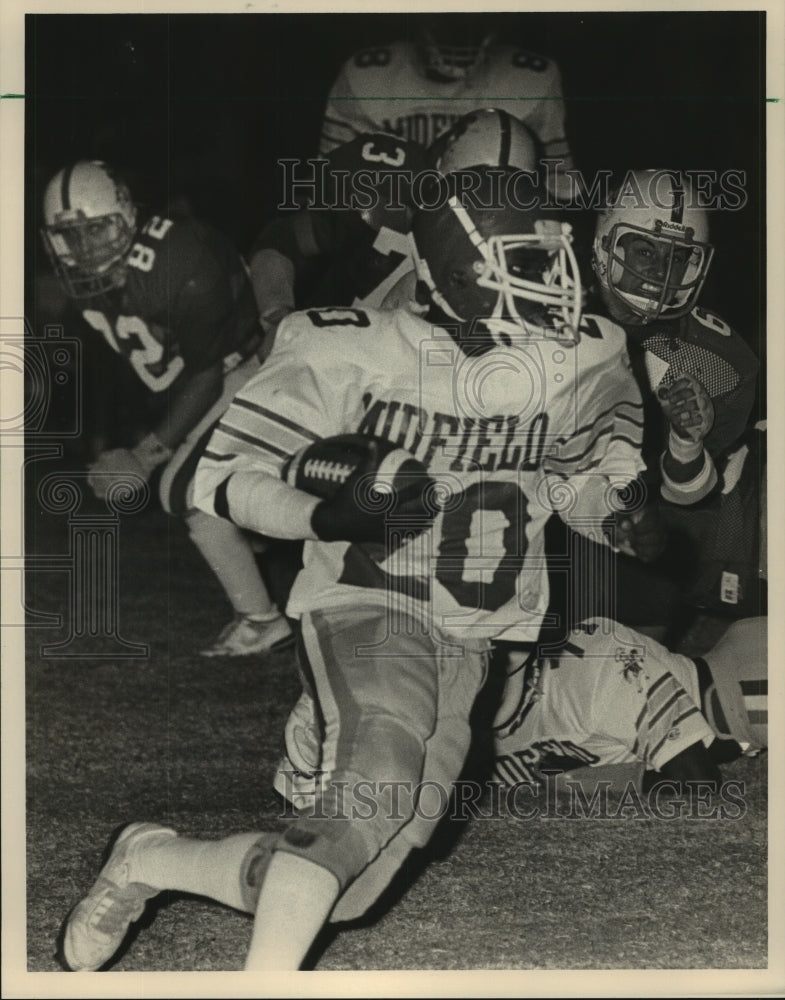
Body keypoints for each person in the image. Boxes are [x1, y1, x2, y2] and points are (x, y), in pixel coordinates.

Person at [59, 167, 655, 972]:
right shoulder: (355, 343)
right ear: (459, 267)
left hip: (475, 643)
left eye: (552, 258)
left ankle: (148, 858)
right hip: (370, 603)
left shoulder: (580, 357)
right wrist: (326, 516)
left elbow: (578, 487)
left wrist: (615, 515)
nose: (557, 278)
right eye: (530, 259)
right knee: (375, 772)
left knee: (354, 887)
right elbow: (221, 478)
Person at [40, 160, 292, 657]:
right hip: (209, 377)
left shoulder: (178, 257)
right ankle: (262, 537)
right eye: (71, 236)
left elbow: (205, 372)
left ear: (128, 217)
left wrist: (145, 454)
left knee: (184, 489)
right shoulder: (99, 279)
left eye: (96, 229)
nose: (85, 248)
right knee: (211, 493)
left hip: (252, 369)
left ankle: (263, 619)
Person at [546, 168, 761, 643]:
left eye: (677, 258)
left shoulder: (716, 360)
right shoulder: (550, 304)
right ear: (607, 243)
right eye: (645, 250)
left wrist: (688, 438)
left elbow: (690, 499)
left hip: (640, 533)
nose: (660, 274)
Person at [248, 108, 541, 340]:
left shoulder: (522, 236)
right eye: (473, 194)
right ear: (436, 173)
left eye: (504, 201)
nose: (486, 213)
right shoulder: (383, 192)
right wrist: (278, 317)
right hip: (317, 356)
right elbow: (280, 242)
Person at [491, 615, 767, 794]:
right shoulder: (472, 732)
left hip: (750, 684)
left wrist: (586, 781)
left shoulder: (590, 667)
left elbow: (697, 781)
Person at [319, 14, 572, 197]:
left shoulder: (532, 79)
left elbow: (561, 191)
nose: (459, 35)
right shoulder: (366, 75)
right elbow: (327, 188)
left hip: (495, 231)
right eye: (448, 23)